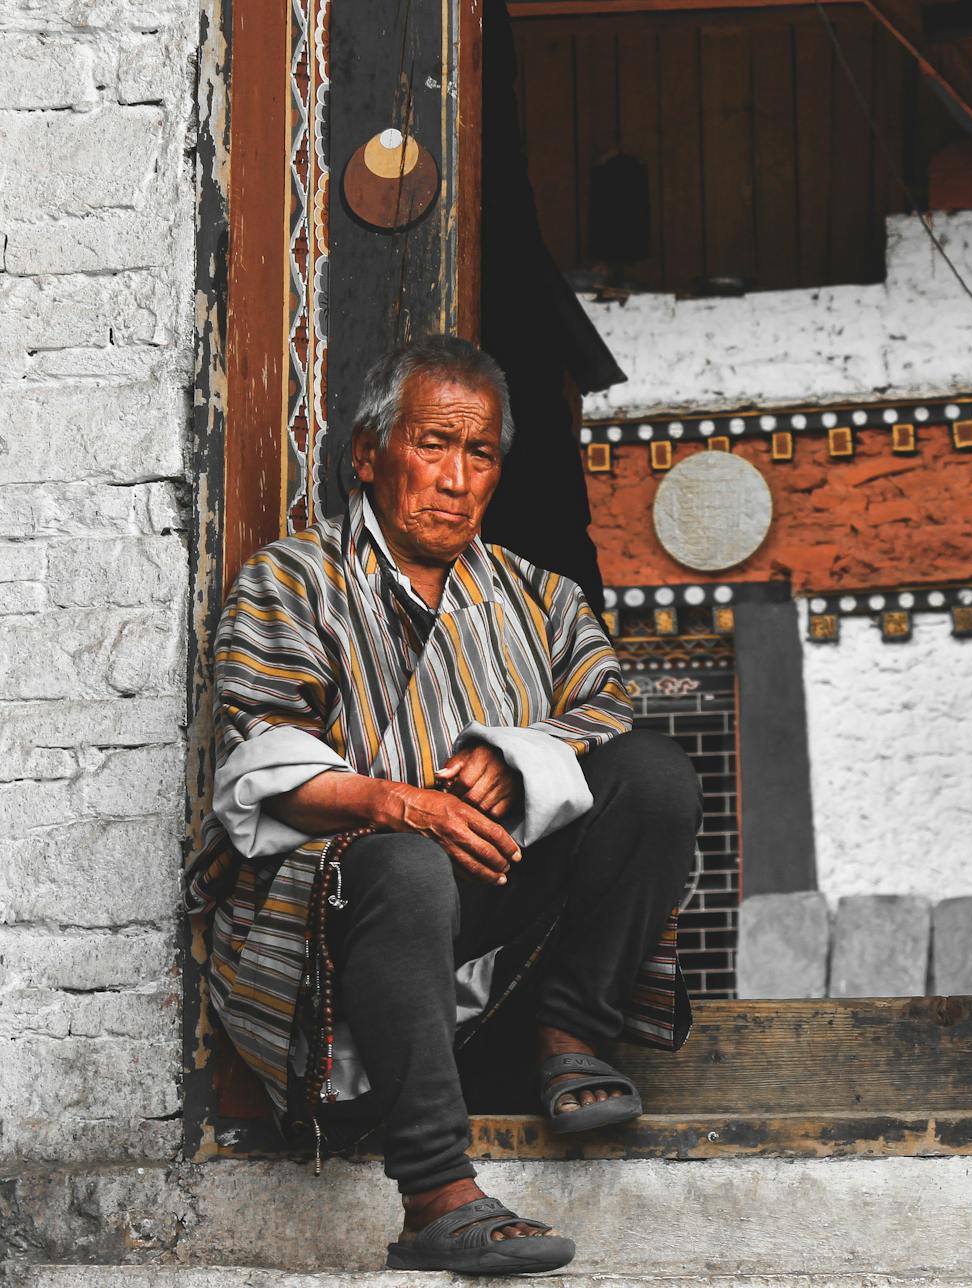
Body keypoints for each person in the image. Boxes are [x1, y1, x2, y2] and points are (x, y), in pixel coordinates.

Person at [186, 334, 697, 1276]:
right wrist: (397, 804)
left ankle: (572, 1033)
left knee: (654, 776)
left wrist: (526, 756)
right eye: (434, 445)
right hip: (343, 929)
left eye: (482, 454)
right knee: (406, 858)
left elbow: (603, 711)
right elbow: (259, 761)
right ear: (368, 454)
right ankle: (436, 1191)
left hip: (500, 915)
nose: (457, 479)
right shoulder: (292, 580)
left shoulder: (539, 597)